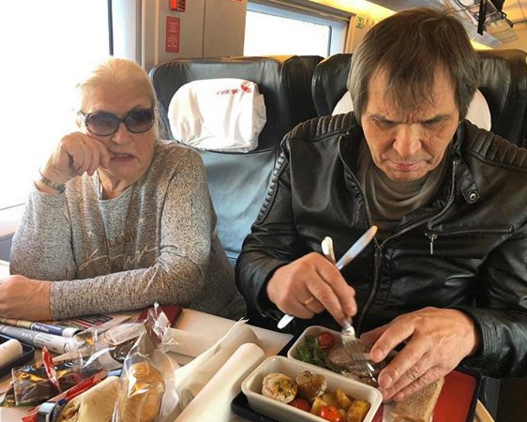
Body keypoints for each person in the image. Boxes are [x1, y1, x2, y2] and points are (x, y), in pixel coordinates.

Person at [236, 7, 527, 404]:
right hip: (310, 365)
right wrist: (274, 280)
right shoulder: (305, 150)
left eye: (433, 123)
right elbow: (256, 254)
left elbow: (520, 326)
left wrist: (470, 330)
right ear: (358, 108)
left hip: (426, 377)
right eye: (384, 121)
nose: (406, 149)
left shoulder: (513, 185)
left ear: (461, 111)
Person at [5, 58, 246, 322]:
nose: (121, 138)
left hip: (203, 328)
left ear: (154, 119)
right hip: (110, 332)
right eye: (102, 121)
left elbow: (181, 278)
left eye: (139, 118)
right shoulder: (68, 176)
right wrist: (49, 182)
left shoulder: (179, 164)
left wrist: (54, 300)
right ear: (79, 124)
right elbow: (28, 287)